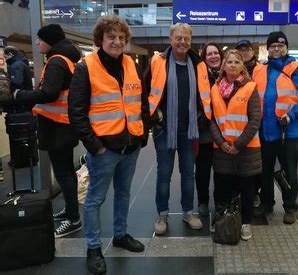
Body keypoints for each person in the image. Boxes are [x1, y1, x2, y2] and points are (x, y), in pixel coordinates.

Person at [68, 15, 149, 274]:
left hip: (130, 145)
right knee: (95, 199)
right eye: (111, 37)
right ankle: (93, 247)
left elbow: (142, 101)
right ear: (100, 39)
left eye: (121, 37)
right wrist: (95, 146)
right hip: (104, 149)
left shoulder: (131, 64)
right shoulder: (86, 67)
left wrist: (143, 134)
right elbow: (76, 112)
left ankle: (120, 235)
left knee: (124, 193)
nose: (117, 41)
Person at [13, 24, 82, 235]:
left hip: (56, 126)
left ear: (50, 40)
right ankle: (70, 210)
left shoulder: (56, 62)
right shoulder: (66, 60)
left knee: (63, 174)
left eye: (40, 39)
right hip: (63, 124)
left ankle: (73, 219)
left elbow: (50, 93)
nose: (37, 42)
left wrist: (19, 95)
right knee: (68, 172)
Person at [147, 23, 211, 235]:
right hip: (165, 129)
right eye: (178, 38)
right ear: (170, 39)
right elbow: (145, 90)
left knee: (187, 175)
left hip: (190, 130)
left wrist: (202, 118)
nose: (182, 42)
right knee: (164, 173)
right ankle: (162, 214)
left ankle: (188, 212)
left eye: (186, 38)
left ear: (190, 41)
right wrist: (155, 116)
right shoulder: (159, 61)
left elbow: (205, 94)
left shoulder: (198, 64)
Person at [253, 31, 298, 224]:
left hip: (288, 132)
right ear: (268, 49)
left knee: (288, 170)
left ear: (286, 48)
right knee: (265, 171)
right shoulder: (260, 70)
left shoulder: (296, 69)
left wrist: (292, 115)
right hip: (265, 131)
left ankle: (290, 207)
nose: (276, 49)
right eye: (273, 46)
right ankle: (267, 203)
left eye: (280, 45)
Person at [210, 49, 261, 241]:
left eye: (236, 62)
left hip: (246, 149)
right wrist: (221, 142)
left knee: (247, 189)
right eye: (229, 62)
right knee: (222, 187)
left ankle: (246, 223)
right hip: (222, 149)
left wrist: (238, 144)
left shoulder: (250, 87)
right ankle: (221, 219)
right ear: (223, 65)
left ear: (242, 66)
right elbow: (212, 119)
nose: (232, 65)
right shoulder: (215, 89)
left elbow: (255, 120)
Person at [196, 42, 223, 217]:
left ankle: (220, 202)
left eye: (216, 53)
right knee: (203, 170)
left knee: (222, 171)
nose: (213, 56)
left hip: (223, 132)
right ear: (204, 58)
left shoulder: (228, 74)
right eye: (209, 54)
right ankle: (203, 202)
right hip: (205, 131)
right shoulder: (199, 75)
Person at [235, 39, 263, 208]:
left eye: (247, 50)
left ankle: (254, 194)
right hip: (237, 125)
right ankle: (241, 194)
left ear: (253, 52)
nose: (244, 52)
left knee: (255, 164)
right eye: (241, 50)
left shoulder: (262, 70)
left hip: (258, 122)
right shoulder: (233, 71)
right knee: (240, 163)